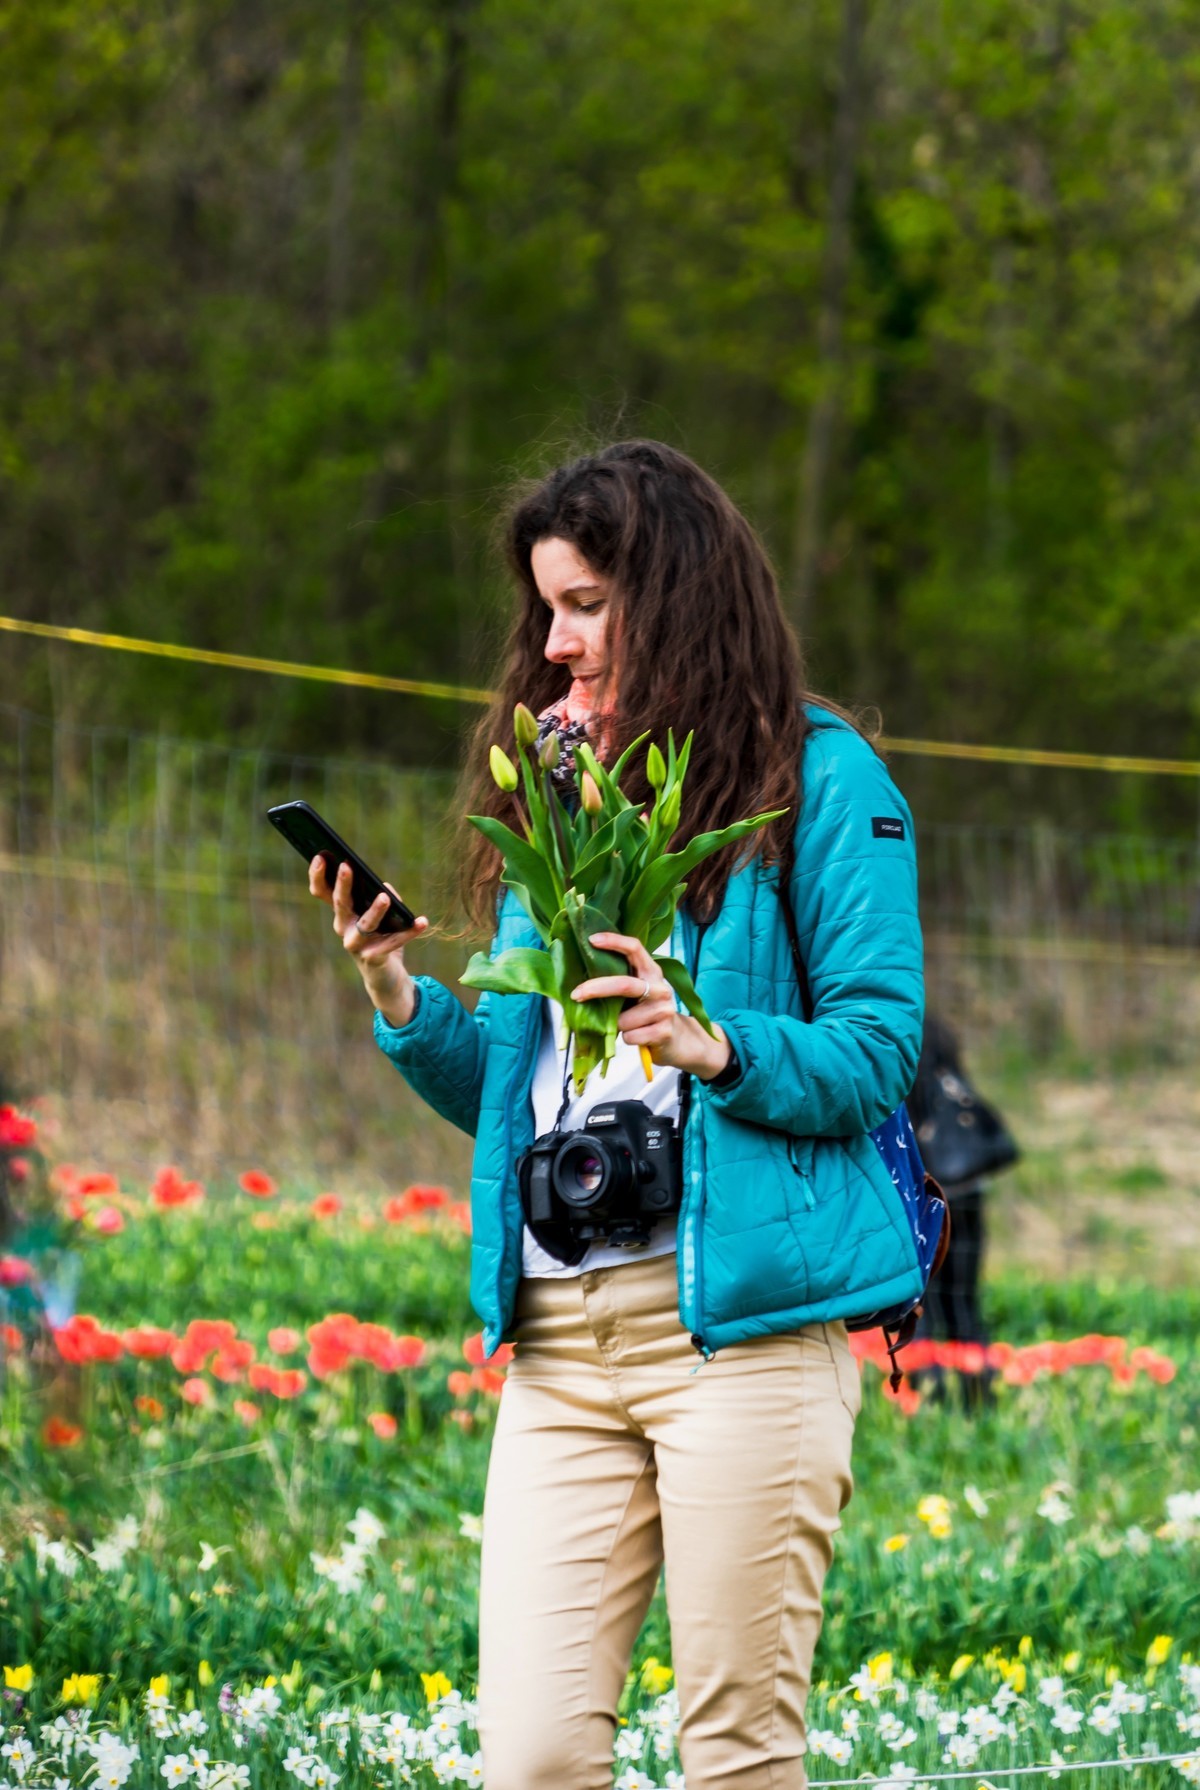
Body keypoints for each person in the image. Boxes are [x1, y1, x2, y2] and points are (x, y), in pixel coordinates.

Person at [306, 440, 924, 1789]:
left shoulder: (820, 781)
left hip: (744, 1338)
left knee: (737, 1759)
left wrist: (714, 1042)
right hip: (563, 1348)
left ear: (678, 593)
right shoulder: (561, 790)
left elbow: (879, 1050)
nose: (557, 643)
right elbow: (528, 1100)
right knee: (528, 1758)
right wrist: (400, 989)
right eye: (545, 609)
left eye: (585, 603)